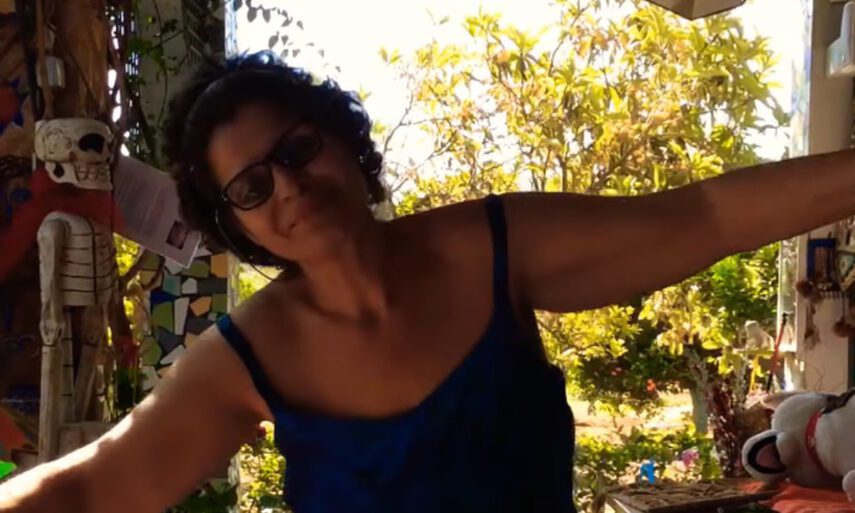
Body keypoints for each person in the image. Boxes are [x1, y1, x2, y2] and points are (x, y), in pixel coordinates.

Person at [2, 49, 855, 513]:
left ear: (342, 140)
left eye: (295, 150)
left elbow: (698, 218)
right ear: (237, 224)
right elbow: (94, 481)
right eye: (251, 187)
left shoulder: (493, 246)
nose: (287, 186)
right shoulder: (248, 354)